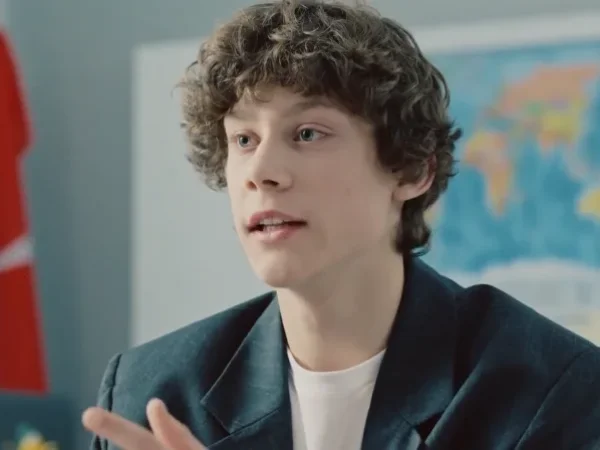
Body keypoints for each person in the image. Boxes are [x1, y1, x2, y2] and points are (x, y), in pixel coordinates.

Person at [83, 1, 600, 449]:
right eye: (244, 140)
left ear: (411, 170)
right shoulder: (147, 393)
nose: (261, 171)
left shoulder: (552, 387)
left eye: (307, 133)